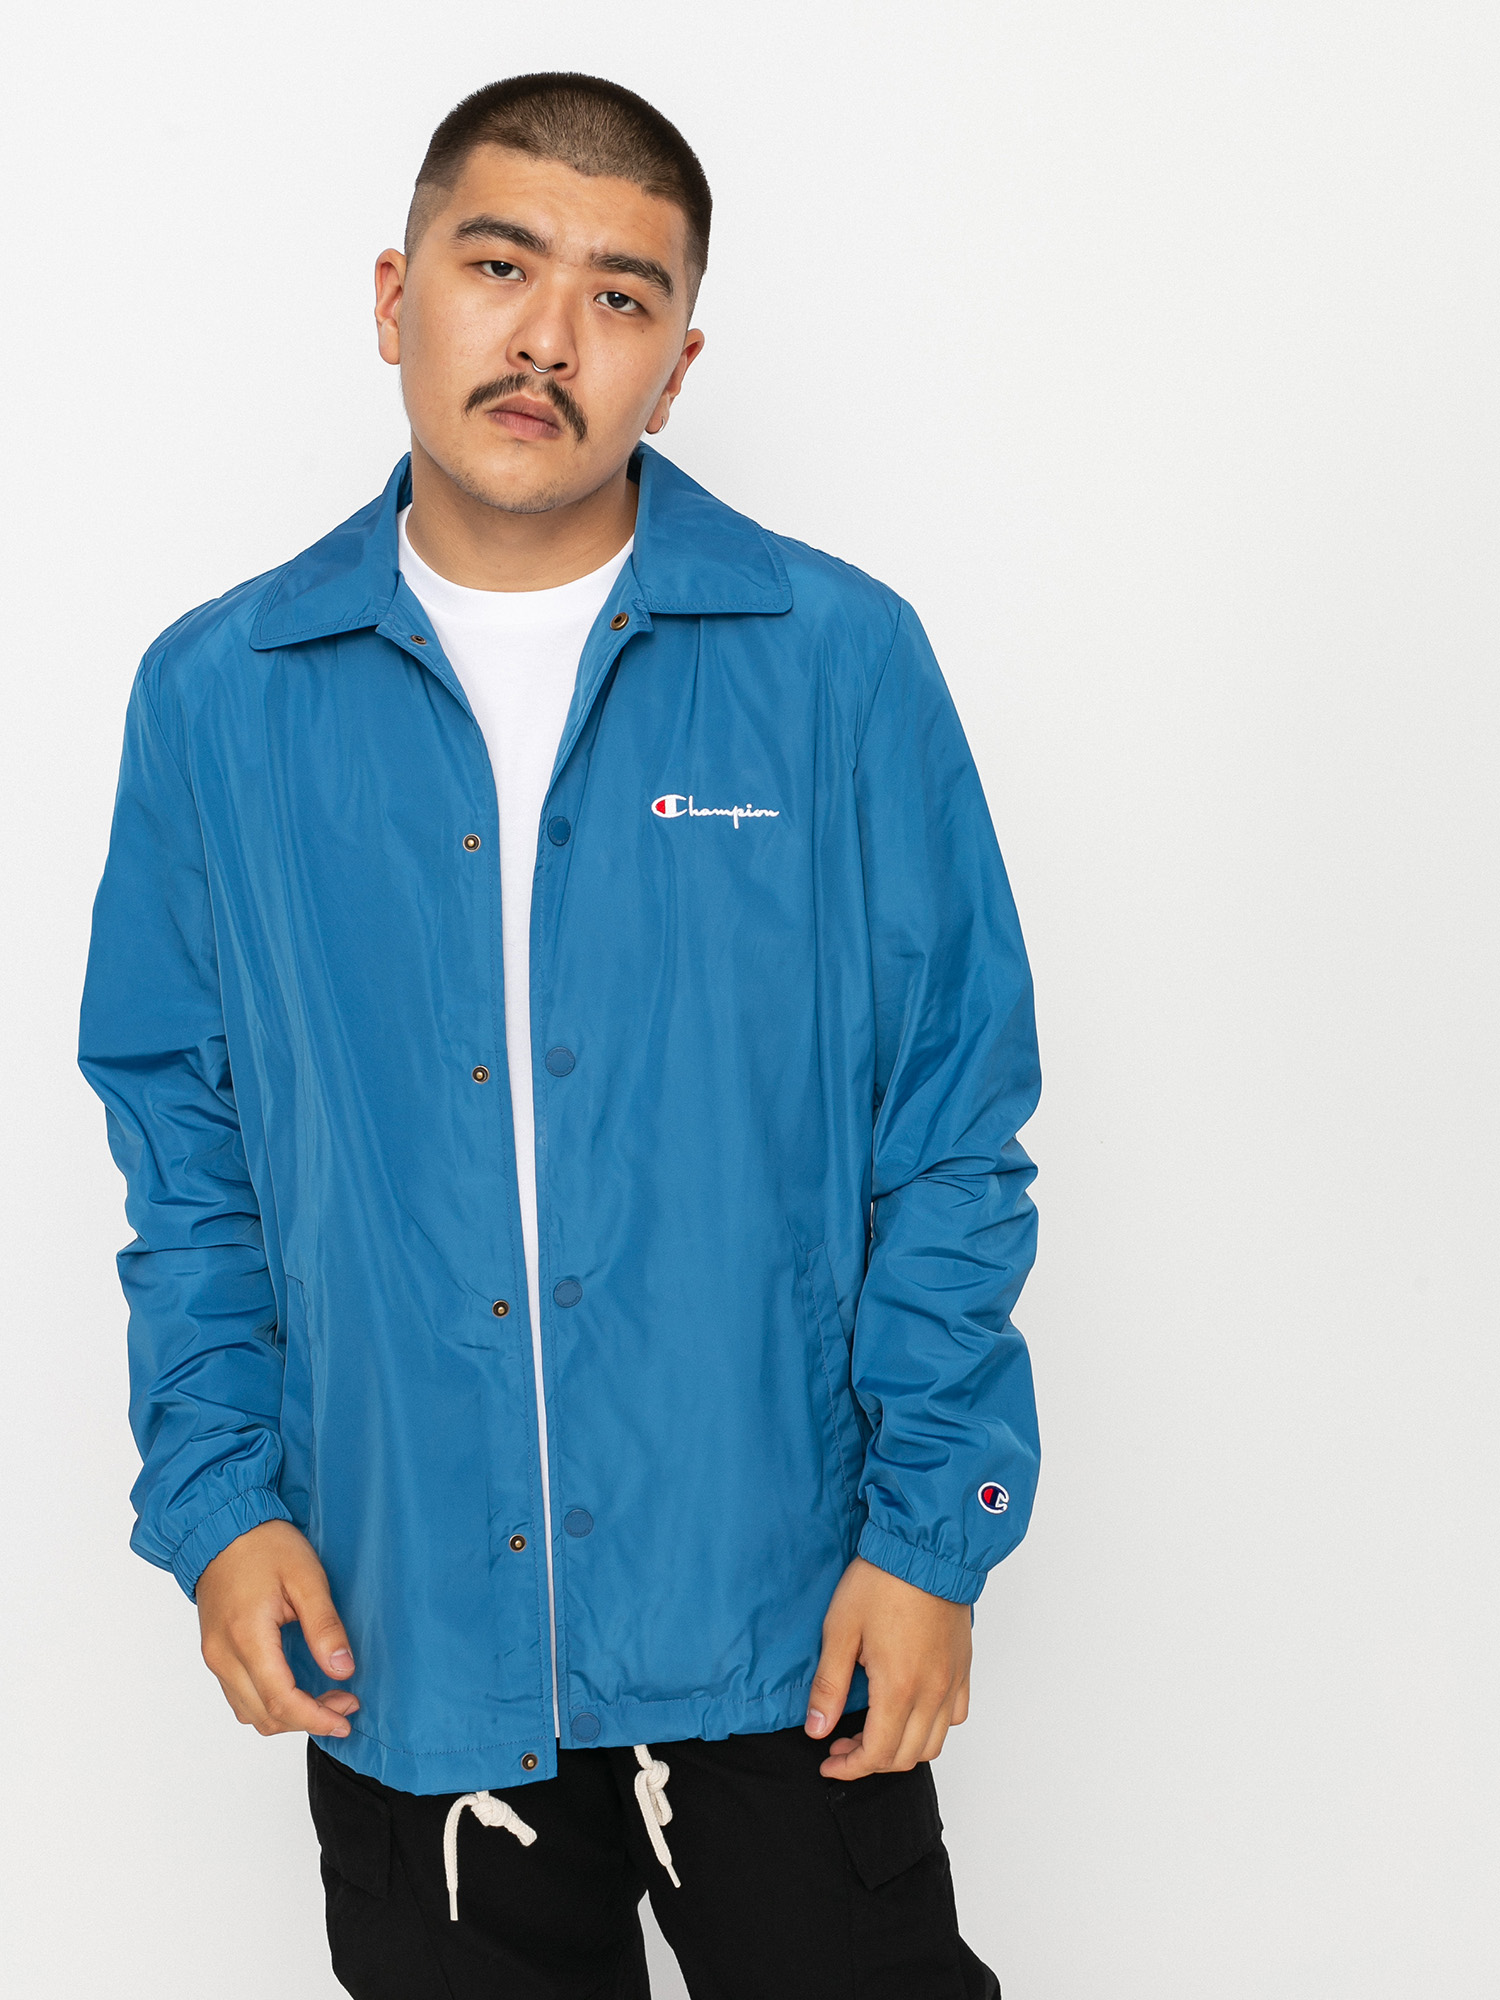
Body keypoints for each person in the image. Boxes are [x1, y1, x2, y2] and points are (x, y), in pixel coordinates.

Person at [77, 71, 1041, 1999]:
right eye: (498, 265)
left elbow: (948, 1123)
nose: (545, 337)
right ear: (395, 295)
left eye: (619, 296)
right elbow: (187, 1151)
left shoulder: (838, 663)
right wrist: (220, 1503)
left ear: (677, 367)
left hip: (782, 1616)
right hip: (407, 1622)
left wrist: (935, 1535)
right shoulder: (219, 696)